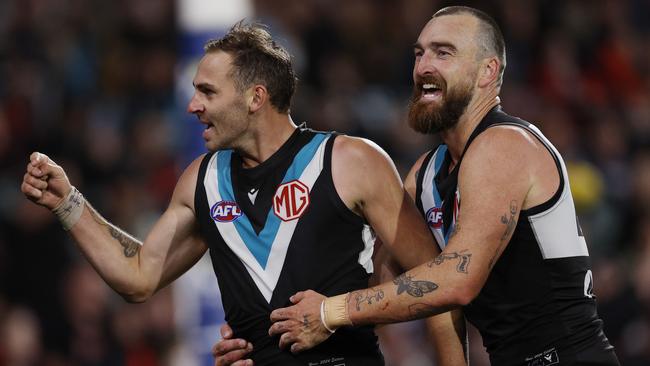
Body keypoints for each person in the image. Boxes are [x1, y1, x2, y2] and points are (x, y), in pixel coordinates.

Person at [20, 22, 466, 366]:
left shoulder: (349, 160)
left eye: (206, 91)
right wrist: (67, 202)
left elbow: (437, 283)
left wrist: (338, 311)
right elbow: (138, 277)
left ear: (256, 98)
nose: (192, 106)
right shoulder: (202, 180)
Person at [268, 6, 621, 366]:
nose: (423, 67)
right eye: (419, 54)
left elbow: (456, 279)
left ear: (488, 71)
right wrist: (264, 338)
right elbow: (379, 285)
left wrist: (332, 310)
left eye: (443, 52)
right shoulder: (424, 175)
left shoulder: (506, 144)